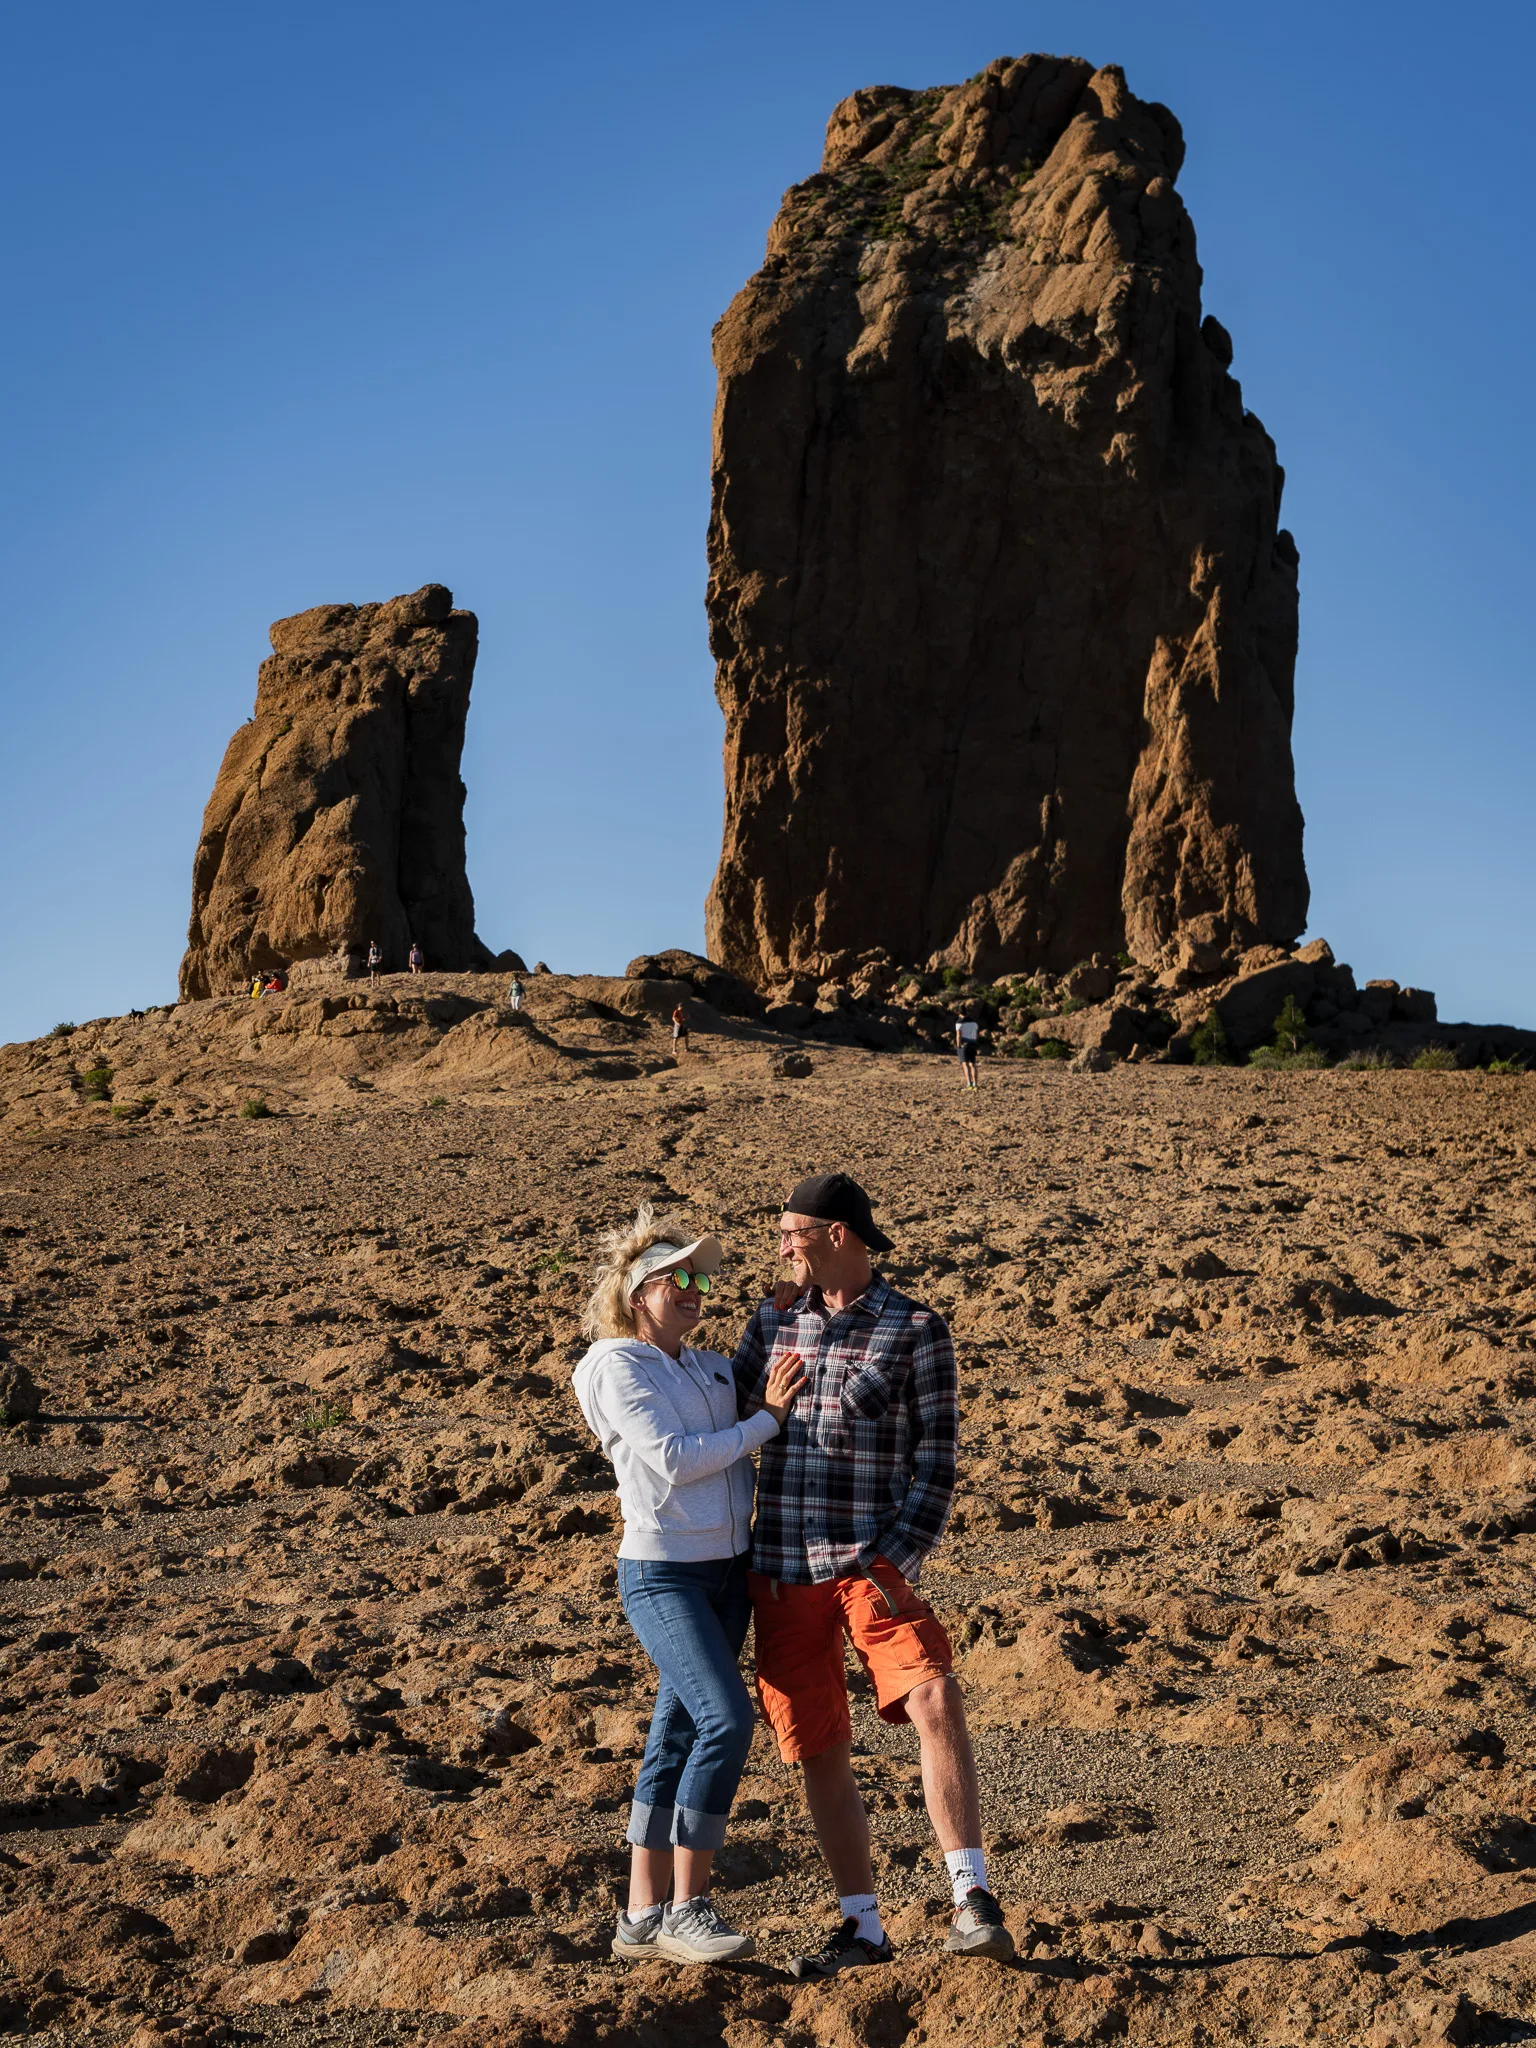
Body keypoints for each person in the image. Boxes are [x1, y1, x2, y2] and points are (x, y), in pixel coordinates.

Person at [734, 1172, 1013, 1976]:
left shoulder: (915, 1329)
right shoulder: (769, 1321)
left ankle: (971, 1896)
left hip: (867, 1563)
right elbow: (725, 1421)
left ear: (837, 1235)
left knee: (935, 1692)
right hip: (781, 1568)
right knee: (816, 1743)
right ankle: (863, 1926)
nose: (781, 1246)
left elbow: (938, 1462)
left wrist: (898, 1557)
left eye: (792, 1231)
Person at [573, 1207, 806, 1968]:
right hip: (663, 1572)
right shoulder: (614, 1365)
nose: (698, 1288)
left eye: (703, 1277)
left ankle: (639, 1917)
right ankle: (688, 1908)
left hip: (728, 1572)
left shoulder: (704, 1366)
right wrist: (767, 1421)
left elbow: (747, 1376)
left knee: (675, 1734)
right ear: (639, 1293)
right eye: (680, 1278)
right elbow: (674, 1458)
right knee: (727, 1720)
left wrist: (778, 1301)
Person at [955, 1016, 980, 1089]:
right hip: (973, 1043)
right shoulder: (974, 1023)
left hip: (964, 1044)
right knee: (972, 1064)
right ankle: (975, 1083)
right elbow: (976, 1034)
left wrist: (958, 1045)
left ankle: (969, 1083)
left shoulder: (959, 1022)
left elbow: (958, 1035)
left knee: (965, 1064)